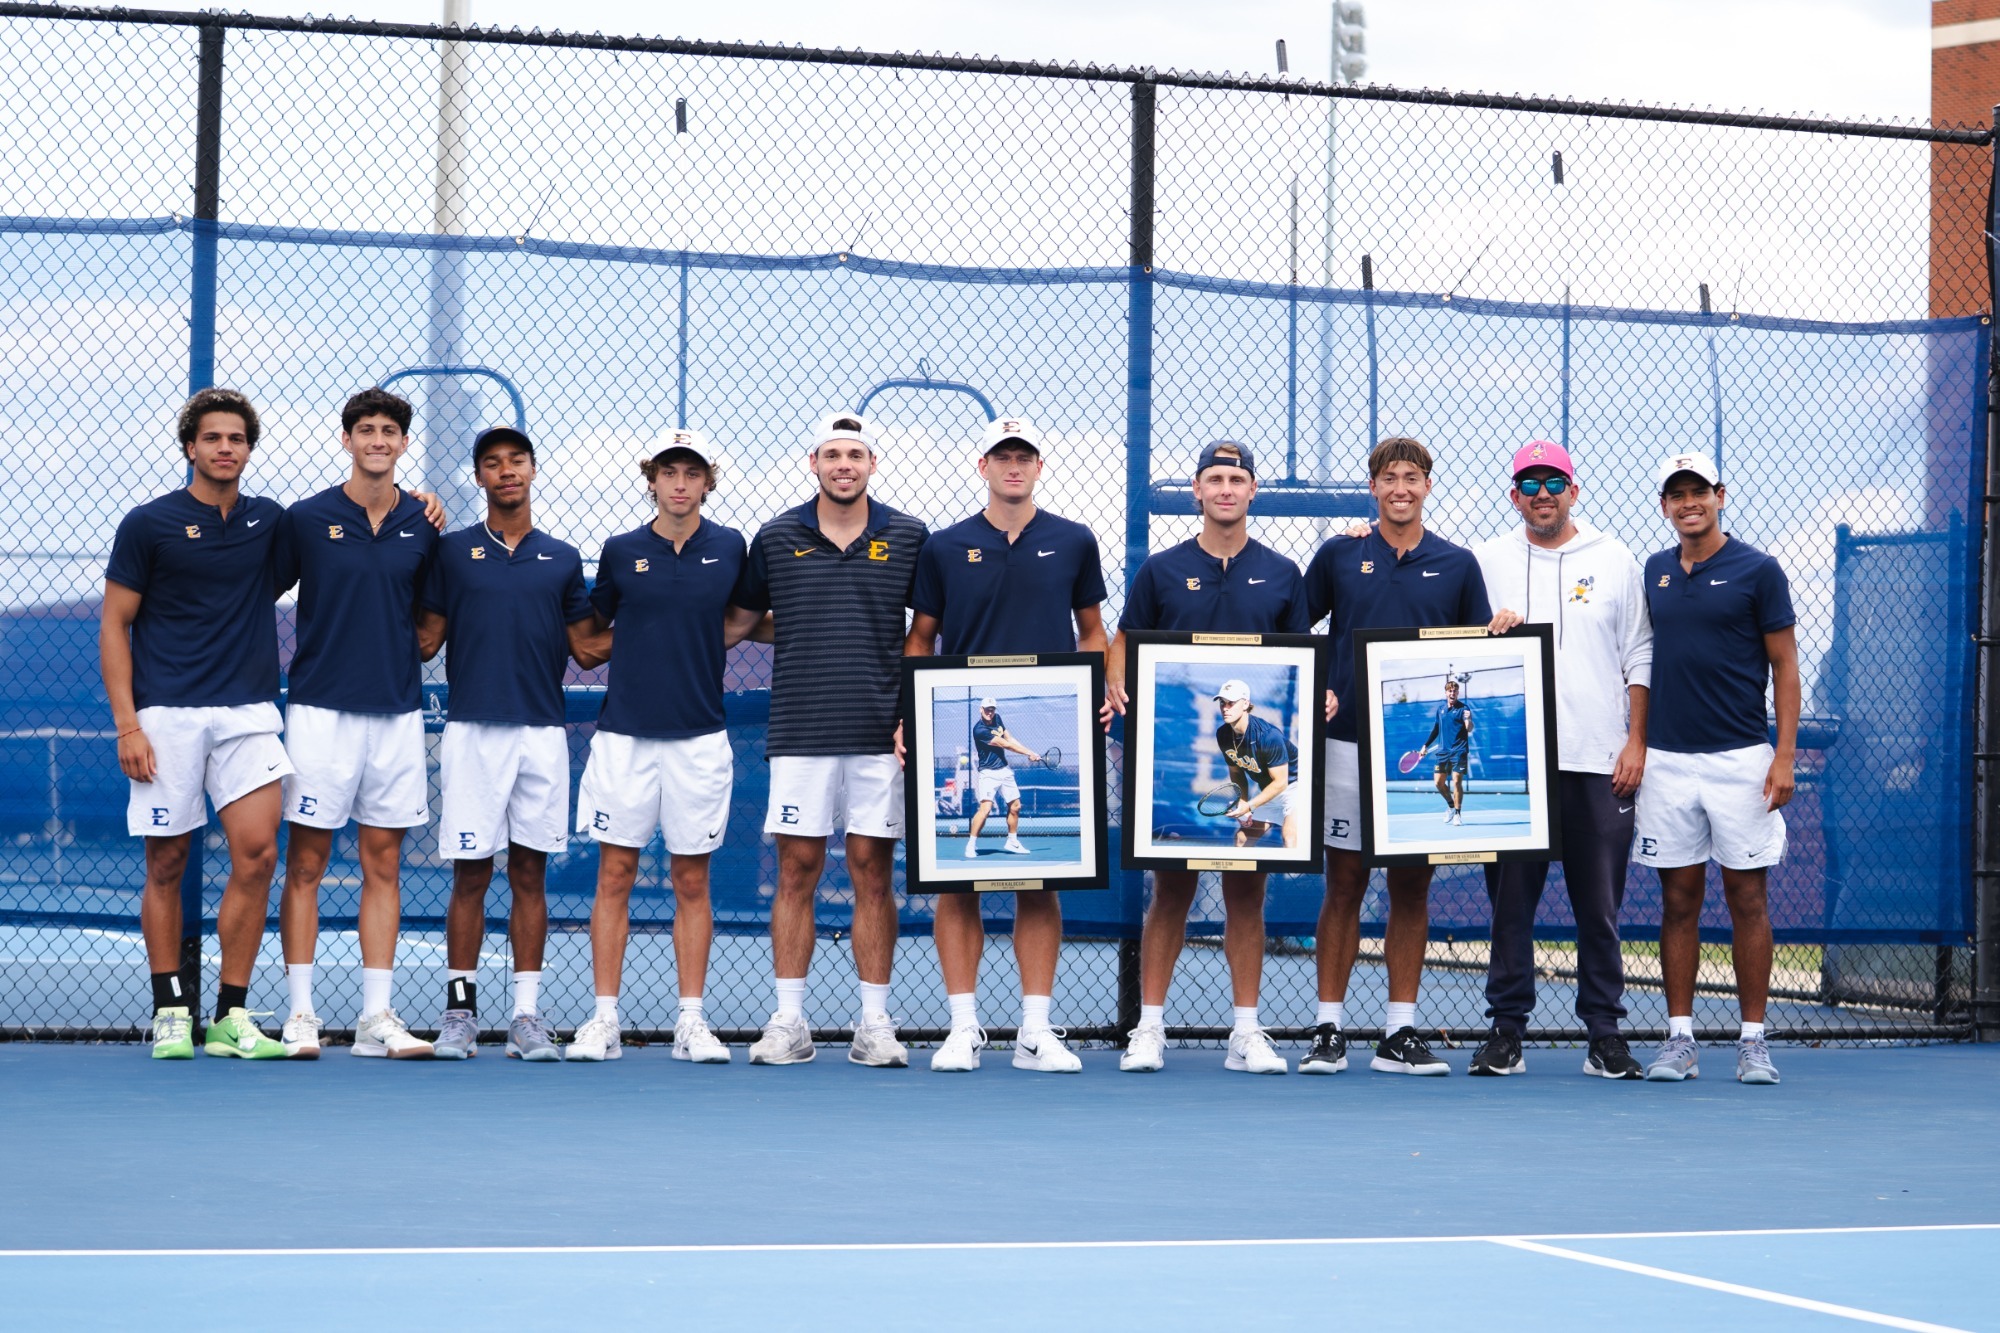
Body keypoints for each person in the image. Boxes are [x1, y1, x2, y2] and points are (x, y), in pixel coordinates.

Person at [905, 416, 1107, 1074]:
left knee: (1038, 885)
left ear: (1039, 466)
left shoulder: (1074, 541)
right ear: (983, 465)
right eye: (1002, 456)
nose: (1013, 466)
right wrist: (910, 713)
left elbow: (1092, 632)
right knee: (957, 887)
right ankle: (964, 1027)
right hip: (959, 721)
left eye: (1024, 456)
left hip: (1054, 716)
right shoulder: (944, 546)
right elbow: (921, 639)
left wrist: (1095, 694)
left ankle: (1034, 1031)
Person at [1104, 440, 1311, 1076]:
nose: (1226, 488)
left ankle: (1245, 1033)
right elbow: (1123, 640)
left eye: (1237, 478)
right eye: (1215, 478)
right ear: (1196, 490)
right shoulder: (1162, 571)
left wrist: (1316, 699)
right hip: (1175, 766)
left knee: (1247, 893)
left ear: (1253, 492)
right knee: (1170, 891)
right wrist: (1115, 679)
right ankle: (1150, 1028)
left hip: (1255, 767)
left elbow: (1302, 660)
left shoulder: (1282, 574)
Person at [730, 413, 928, 1068]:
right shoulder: (777, 535)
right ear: (812, 461)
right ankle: (789, 1021)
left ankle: (874, 1022)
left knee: (875, 874)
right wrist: (805, 629)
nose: (844, 465)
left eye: (857, 455)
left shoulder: (908, 536)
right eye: (833, 454)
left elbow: (926, 632)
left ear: (873, 464)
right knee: (796, 872)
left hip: (878, 735)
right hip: (801, 732)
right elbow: (741, 620)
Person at [101, 388, 292, 1059]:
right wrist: (129, 725)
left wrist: (418, 500)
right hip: (166, 714)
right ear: (191, 446)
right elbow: (115, 623)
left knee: (259, 852)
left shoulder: (270, 522)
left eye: (236, 438)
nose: (224, 448)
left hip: (246, 712)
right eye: (212, 437)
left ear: (247, 448)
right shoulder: (148, 524)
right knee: (168, 861)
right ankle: (169, 1008)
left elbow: (348, 521)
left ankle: (230, 1016)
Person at [1304, 436, 1492, 1077]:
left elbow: (1474, 653)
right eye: (1390, 477)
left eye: (1412, 476)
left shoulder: (1459, 564)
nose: (1401, 488)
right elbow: (1294, 632)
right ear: (1373, 486)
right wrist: (1319, 688)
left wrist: (1502, 634)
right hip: (1347, 746)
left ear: (1427, 485)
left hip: (1403, 756)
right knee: (1345, 884)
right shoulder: (1339, 554)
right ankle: (1328, 1028)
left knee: (1412, 887)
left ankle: (1399, 1031)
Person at [565, 430, 753, 1064]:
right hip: (624, 739)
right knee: (614, 875)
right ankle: (603, 1019)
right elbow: (591, 634)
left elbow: (745, 618)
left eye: (691, 472)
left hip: (700, 737)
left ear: (707, 482)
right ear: (652, 480)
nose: (679, 482)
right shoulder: (621, 551)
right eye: (668, 472)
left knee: (690, 879)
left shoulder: (731, 547)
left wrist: (695, 637)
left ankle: (691, 1022)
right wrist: (647, 637)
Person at [416, 426, 601, 1062]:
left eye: (515, 461)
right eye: (492, 464)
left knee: (530, 873)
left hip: (542, 733)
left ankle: (526, 1016)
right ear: (480, 478)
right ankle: (460, 1015)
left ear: (530, 470)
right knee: (471, 873)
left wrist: (665, 619)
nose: (506, 472)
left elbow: (587, 647)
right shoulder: (451, 552)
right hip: (473, 733)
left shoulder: (562, 557)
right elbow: (424, 641)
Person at [1473, 440, 1652, 1079]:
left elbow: (1640, 654)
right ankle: (1506, 1031)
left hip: (1597, 759)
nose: (1542, 492)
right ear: (1513, 493)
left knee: (1598, 907)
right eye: (1530, 482)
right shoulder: (1485, 560)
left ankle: (1604, 1033)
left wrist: (1635, 741)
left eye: (1555, 482)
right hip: (1512, 765)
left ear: (1575, 490)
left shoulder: (1614, 558)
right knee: (1510, 906)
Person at [272, 388, 439, 1060]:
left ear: (403, 443)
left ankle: (376, 1017)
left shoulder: (424, 522)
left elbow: (431, 620)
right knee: (306, 863)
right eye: (366, 429)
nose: (377, 439)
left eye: (389, 430)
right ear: (346, 439)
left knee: (384, 863)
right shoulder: (306, 519)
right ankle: (301, 1013)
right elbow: (260, 591)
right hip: (319, 711)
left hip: (397, 714)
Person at [1635, 450, 1797, 1086]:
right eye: (1676, 494)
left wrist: (1783, 754)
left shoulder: (1759, 570)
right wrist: (1640, 743)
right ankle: (1680, 1039)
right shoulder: (1653, 571)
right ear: (1666, 505)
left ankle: (1753, 1041)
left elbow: (1785, 665)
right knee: (1678, 900)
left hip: (1742, 760)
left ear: (1719, 495)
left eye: (1697, 490)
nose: (1688, 502)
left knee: (1746, 897)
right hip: (1667, 764)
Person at [1212, 679, 1303, 850]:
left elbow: (1281, 782)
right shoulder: (1223, 734)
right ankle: (1240, 877)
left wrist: (1250, 805)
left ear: (1245, 704)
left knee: (1290, 838)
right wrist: (1243, 802)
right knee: (1241, 840)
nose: (1225, 708)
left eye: (1231, 703)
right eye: (1222, 703)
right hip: (1269, 790)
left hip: (1297, 788)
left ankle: (1300, 877)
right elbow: (1236, 771)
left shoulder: (1268, 736)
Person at [964, 698, 1039, 859]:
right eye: (987, 709)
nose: (990, 712)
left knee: (1016, 806)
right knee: (985, 809)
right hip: (988, 773)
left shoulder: (997, 719)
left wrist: (1030, 751)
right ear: (980, 709)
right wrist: (1028, 753)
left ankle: (1012, 841)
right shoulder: (979, 730)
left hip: (1004, 770)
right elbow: (1006, 744)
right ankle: (971, 844)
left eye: (992, 709)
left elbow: (1010, 738)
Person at [1416, 676, 1474, 826]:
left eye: (1455, 691)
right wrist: (1425, 745)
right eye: (1450, 691)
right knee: (1438, 783)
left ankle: (1458, 814)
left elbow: (1469, 728)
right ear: (1446, 693)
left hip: (1459, 751)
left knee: (1456, 781)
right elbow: (1436, 729)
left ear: (1458, 693)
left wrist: (1469, 719)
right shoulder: (1440, 710)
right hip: (1442, 752)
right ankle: (1450, 806)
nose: (1452, 693)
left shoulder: (1464, 709)